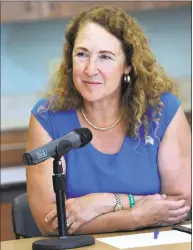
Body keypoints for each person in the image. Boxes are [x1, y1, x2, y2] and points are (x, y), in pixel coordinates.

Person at [26, 6, 191, 236]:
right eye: (82, 54)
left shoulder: (163, 111)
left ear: (128, 65)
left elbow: (178, 205)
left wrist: (101, 203)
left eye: (105, 57)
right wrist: (135, 216)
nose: (90, 69)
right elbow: (51, 223)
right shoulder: (47, 117)